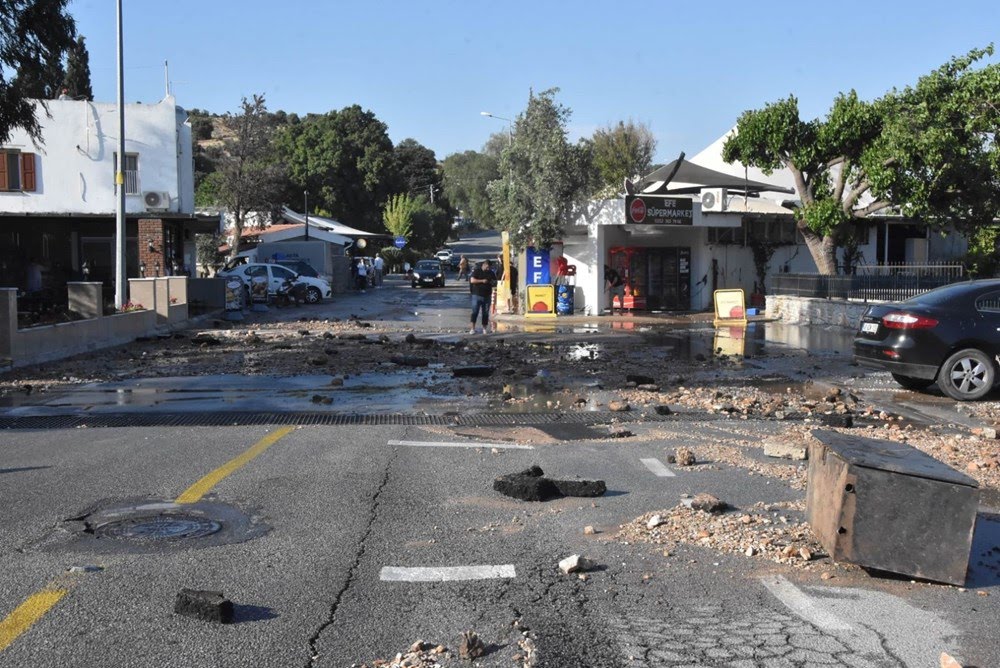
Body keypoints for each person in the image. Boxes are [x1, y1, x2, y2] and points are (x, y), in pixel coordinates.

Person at [468, 259, 495, 334]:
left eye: (489, 267)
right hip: (477, 294)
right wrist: (482, 281)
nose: (488, 269)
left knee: (485, 313)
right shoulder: (477, 271)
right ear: (484, 264)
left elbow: (495, 281)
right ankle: (472, 328)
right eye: (487, 267)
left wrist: (492, 282)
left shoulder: (491, 273)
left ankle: (484, 328)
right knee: (475, 311)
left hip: (487, 295)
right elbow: (472, 280)